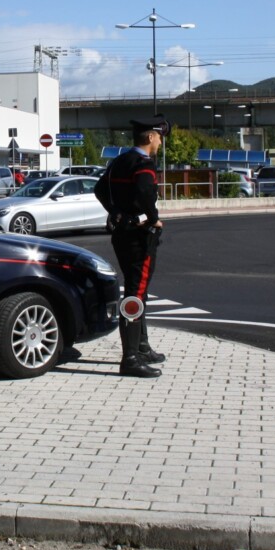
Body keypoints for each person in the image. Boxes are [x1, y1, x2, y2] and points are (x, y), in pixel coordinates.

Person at [94, 115, 169, 378]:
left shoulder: (119, 161)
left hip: (121, 235)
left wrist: (115, 212)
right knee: (136, 293)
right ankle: (130, 359)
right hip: (139, 236)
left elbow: (99, 188)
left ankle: (142, 347)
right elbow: (144, 193)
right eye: (159, 137)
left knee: (139, 290)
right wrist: (153, 218)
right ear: (150, 137)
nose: (160, 142)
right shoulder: (143, 164)